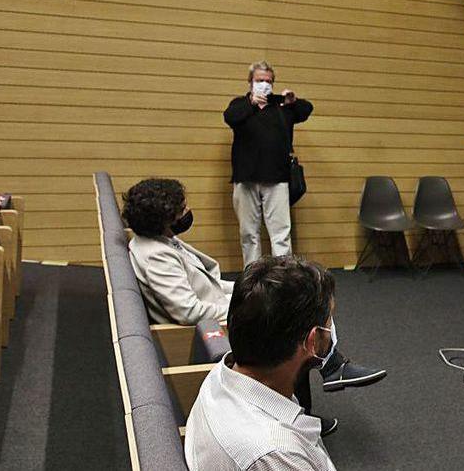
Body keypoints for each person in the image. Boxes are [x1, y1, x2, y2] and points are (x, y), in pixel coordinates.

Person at [122, 178, 386, 415]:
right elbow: (188, 310)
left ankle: (318, 389)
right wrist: (245, 302)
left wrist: (247, 290)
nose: (187, 213)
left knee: (301, 297)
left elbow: (210, 284)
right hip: (202, 327)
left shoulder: (162, 241)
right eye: (182, 209)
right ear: (164, 217)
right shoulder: (155, 255)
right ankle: (327, 373)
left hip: (212, 313)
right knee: (302, 312)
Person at [185, 256, 343, 470]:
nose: (331, 328)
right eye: (328, 321)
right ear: (313, 341)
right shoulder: (277, 455)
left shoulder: (222, 375)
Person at [223, 61, 312, 266]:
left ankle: (284, 278)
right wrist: (251, 103)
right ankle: (253, 277)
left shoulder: (281, 105)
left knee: (281, 233)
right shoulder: (240, 104)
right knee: (248, 234)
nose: (264, 84)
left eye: (268, 81)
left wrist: (293, 101)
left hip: (277, 178)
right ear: (250, 83)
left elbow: (306, 110)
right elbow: (230, 117)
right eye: (259, 80)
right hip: (246, 178)